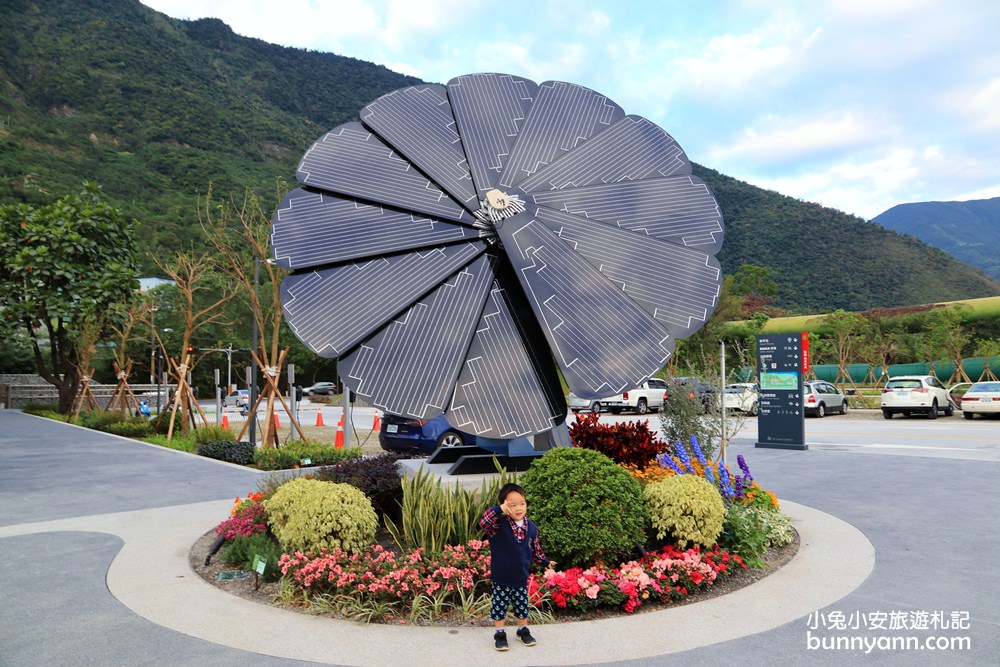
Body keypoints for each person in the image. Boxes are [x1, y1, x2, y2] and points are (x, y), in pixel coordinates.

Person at [478, 483, 553, 651]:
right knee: (499, 607)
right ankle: (499, 633)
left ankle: (522, 630)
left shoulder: (531, 527)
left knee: (522, 606)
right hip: (501, 577)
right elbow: (484, 522)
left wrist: (545, 562)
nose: (518, 508)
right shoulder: (498, 525)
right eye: (512, 505)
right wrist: (499, 510)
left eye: (522, 503)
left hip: (520, 576)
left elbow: (535, 549)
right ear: (505, 505)